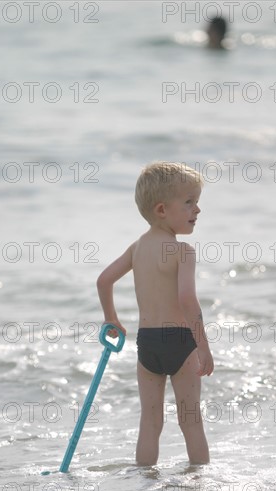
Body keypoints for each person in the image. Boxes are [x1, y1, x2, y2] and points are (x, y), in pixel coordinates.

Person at [96, 162, 214, 466]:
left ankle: (144, 484)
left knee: (149, 422)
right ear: (162, 209)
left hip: (147, 344)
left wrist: (112, 319)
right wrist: (203, 346)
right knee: (191, 421)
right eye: (189, 202)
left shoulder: (137, 248)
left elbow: (104, 280)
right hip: (179, 341)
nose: (197, 209)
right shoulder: (182, 252)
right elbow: (187, 300)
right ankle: (199, 486)